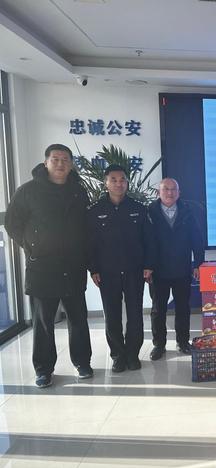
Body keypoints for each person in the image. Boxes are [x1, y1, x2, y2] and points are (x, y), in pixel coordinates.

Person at [5, 144, 93, 388]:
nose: (60, 163)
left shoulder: (78, 191)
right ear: (46, 163)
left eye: (65, 159)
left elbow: (86, 226)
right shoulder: (28, 191)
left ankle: (82, 362)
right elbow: (12, 222)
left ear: (71, 164)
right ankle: (43, 369)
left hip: (73, 265)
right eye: (55, 159)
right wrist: (30, 246)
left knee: (78, 318)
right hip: (42, 267)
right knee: (43, 323)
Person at [87, 165, 155, 372]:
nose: (119, 183)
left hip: (135, 270)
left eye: (122, 179)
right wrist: (93, 269)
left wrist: (148, 265)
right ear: (106, 183)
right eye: (114, 180)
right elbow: (90, 243)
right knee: (112, 316)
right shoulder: (95, 211)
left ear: (127, 182)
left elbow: (149, 240)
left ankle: (132, 355)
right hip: (107, 272)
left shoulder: (139, 208)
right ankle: (117, 356)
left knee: (135, 315)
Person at [148, 178, 205, 360]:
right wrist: (146, 266)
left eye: (174, 189)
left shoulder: (188, 210)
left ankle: (183, 342)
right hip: (158, 270)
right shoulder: (149, 212)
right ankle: (159, 345)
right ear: (159, 192)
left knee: (183, 308)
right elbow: (144, 241)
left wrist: (198, 263)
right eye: (166, 189)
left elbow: (197, 238)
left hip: (182, 267)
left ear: (179, 193)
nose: (170, 193)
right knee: (158, 309)